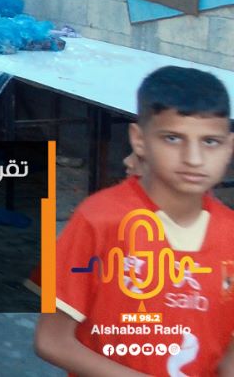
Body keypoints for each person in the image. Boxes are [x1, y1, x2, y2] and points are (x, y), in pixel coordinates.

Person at [33, 67, 234, 376]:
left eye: (210, 141)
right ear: (139, 140)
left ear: (229, 146)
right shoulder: (97, 220)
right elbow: (51, 340)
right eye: (173, 138)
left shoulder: (229, 234)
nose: (193, 158)